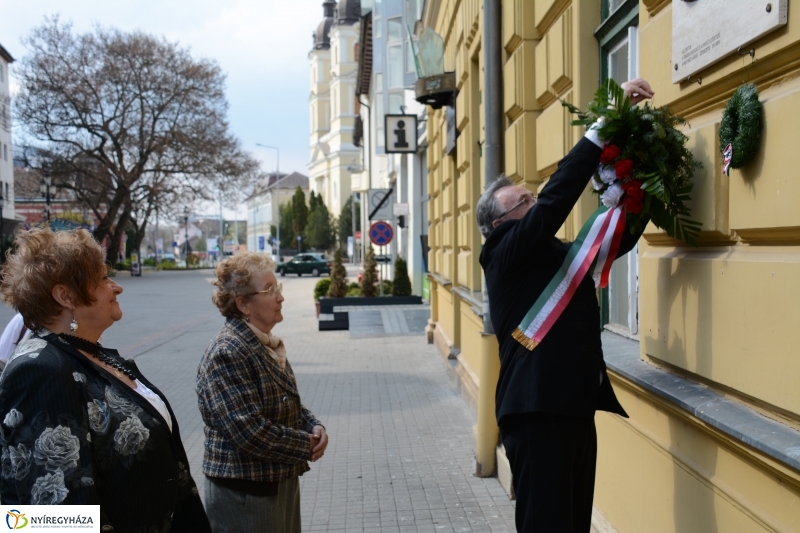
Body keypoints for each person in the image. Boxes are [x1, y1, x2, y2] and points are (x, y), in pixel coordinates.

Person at [476, 79, 654, 532]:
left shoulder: (549, 253)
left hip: (571, 405)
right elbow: (555, 200)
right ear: (499, 223)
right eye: (523, 201)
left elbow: (613, 243)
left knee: (573, 524)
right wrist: (600, 131)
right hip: (536, 412)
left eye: (530, 197)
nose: (534, 203)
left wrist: (644, 186)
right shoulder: (502, 251)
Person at [0, 228, 211, 532]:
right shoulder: (41, 370)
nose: (116, 287)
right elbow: (54, 518)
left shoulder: (90, 353)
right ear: (65, 296)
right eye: (102, 279)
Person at [197, 252, 328, 533]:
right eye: (270, 290)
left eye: (278, 288)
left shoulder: (265, 343)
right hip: (246, 494)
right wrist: (306, 444)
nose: (280, 297)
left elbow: (286, 400)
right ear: (243, 304)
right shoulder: (228, 351)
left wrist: (314, 425)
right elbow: (250, 431)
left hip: (276, 482)